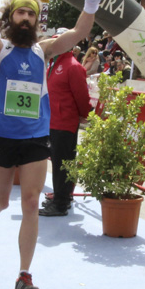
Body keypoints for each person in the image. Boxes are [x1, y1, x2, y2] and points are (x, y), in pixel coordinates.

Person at [0, 0, 103, 289]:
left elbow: (81, 31)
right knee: (0, 200)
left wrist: (91, 1)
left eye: (31, 13)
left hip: (36, 137)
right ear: (11, 18)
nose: (26, 18)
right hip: (1, 136)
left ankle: (23, 276)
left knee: (30, 202)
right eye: (21, 12)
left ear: (37, 21)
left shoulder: (45, 51)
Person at [39, 40, 91, 217]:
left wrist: (85, 113)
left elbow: (82, 96)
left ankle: (61, 203)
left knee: (63, 164)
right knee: (60, 162)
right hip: (54, 121)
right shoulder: (56, 64)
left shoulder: (72, 66)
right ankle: (62, 197)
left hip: (64, 122)